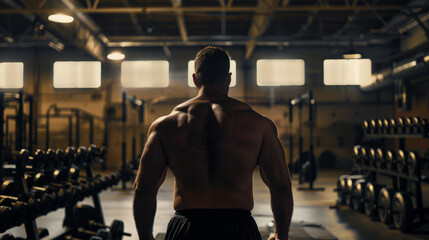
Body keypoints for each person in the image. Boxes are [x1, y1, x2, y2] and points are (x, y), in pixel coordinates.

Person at [133, 46, 293, 240]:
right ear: (229, 78)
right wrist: (280, 235)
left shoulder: (165, 126)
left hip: (187, 228)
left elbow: (143, 188)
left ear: (195, 78)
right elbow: (281, 185)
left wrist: (145, 237)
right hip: (238, 228)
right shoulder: (259, 125)